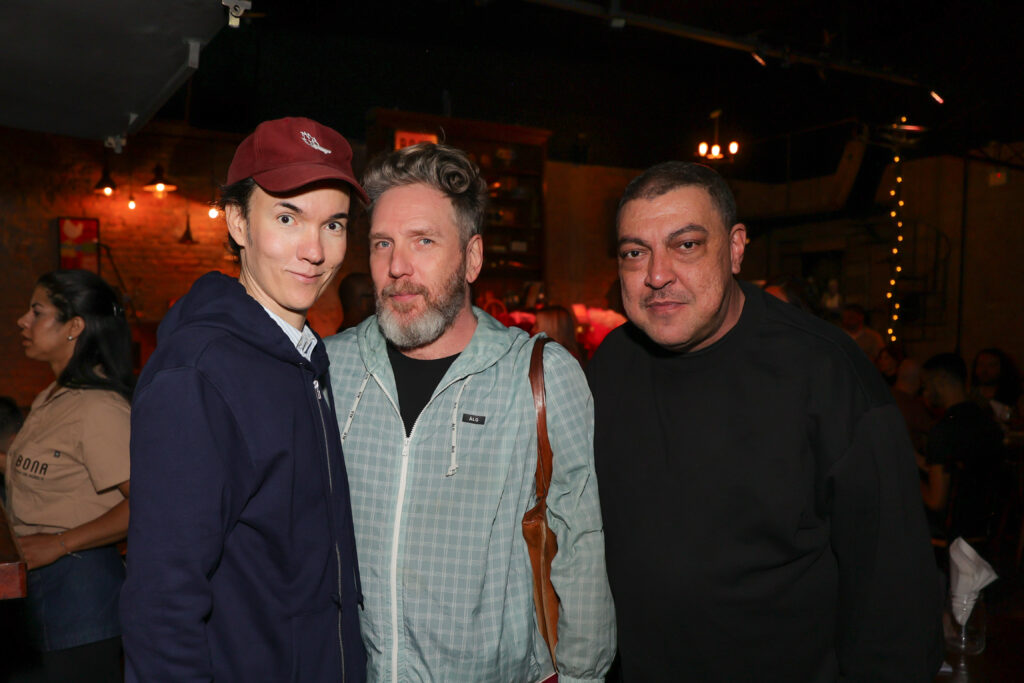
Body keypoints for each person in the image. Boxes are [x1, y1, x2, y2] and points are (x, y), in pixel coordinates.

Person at [586, 161, 942, 682]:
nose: (657, 275)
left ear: (735, 248)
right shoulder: (611, 365)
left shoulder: (827, 372)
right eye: (635, 252)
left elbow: (894, 591)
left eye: (686, 245)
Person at [325, 142, 615, 683]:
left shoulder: (539, 376)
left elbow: (583, 547)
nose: (396, 267)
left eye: (424, 241)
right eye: (383, 243)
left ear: (473, 257)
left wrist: (582, 677)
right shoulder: (332, 369)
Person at [121, 117, 367, 681]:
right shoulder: (198, 375)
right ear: (237, 222)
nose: (314, 250)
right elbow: (162, 605)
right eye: (287, 218)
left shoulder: (303, 357)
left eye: (333, 224)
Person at [3, 270, 133, 682]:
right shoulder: (54, 394)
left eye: (37, 312)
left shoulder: (99, 409)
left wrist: (59, 543)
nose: (23, 321)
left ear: (74, 326)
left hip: (81, 588)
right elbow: (45, 469)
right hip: (44, 584)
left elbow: (150, 505)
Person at [919, 353, 1005, 543]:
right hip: (984, 526)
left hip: (950, 532)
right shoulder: (988, 423)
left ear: (940, 381)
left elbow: (936, 501)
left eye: (925, 385)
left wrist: (907, 476)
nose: (923, 392)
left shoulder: (943, 430)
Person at [970, 347, 1023, 427]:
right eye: (981, 364)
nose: (984, 370)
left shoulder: (1014, 395)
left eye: (991, 365)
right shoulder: (969, 395)